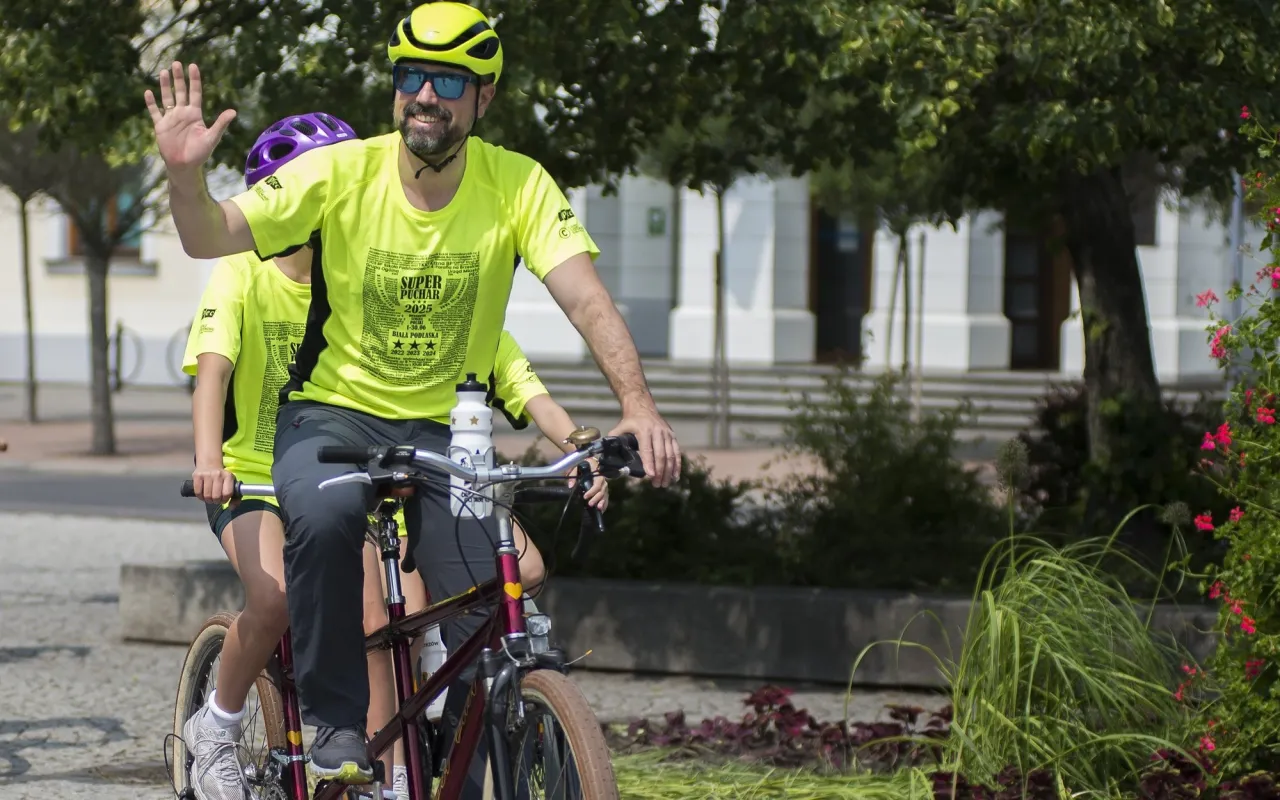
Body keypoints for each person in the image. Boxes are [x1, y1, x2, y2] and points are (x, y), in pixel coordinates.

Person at [145, 0, 679, 785]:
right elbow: (209, 235)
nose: (424, 94)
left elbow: (587, 299)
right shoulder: (340, 171)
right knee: (324, 522)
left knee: (486, 589)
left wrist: (637, 408)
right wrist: (185, 177)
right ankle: (332, 725)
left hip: (440, 427)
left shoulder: (518, 186)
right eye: (410, 76)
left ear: (483, 97)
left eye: (446, 80)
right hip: (329, 416)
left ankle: (456, 749)